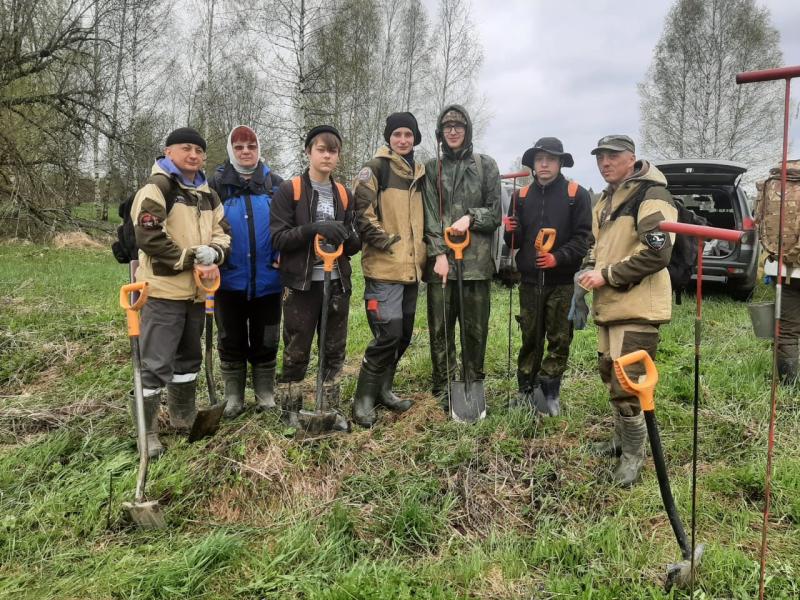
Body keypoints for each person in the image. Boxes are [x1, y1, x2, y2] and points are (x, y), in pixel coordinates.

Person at [577, 134, 677, 487]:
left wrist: (607, 275)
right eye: (600, 157)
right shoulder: (605, 200)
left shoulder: (651, 196)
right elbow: (596, 246)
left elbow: (658, 253)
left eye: (613, 156)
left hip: (638, 306)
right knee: (610, 372)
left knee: (629, 383)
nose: (605, 163)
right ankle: (621, 441)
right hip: (610, 305)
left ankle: (634, 457)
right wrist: (588, 268)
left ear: (631, 158)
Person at [130, 126, 231, 457]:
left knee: (188, 360)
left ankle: (183, 418)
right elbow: (148, 236)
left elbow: (223, 231)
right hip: (163, 291)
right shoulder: (158, 187)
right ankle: (146, 434)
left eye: (199, 151)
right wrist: (189, 258)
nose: (193, 155)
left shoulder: (207, 193)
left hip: (197, 293)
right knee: (155, 363)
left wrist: (215, 253)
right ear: (169, 151)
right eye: (185, 148)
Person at [269, 125, 360, 427]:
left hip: (336, 283)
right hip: (302, 284)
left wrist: (354, 239)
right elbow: (278, 239)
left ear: (338, 157)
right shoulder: (290, 190)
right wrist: (314, 229)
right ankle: (290, 413)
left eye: (332, 151)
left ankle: (328, 411)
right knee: (297, 350)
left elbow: (350, 239)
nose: (327, 156)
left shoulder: (345, 194)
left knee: (334, 351)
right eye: (321, 149)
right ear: (308, 152)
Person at [504, 137, 592, 415]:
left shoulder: (575, 194)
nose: (544, 164)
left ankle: (549, 393)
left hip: (562, 282)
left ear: (559, 163)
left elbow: (582, 239)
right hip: (529, 282)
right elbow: (514, 242)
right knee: (530, 337)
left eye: (550, 159)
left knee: (559, 338)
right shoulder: (521, 197)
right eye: (539, 159)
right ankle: (525, 390)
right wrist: (510, 230)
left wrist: (558, 257)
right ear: (532, 164)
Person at [422, 104, 501, 410]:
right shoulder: (432, 168)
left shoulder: (485, 165)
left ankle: (472, 383)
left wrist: (470, 217)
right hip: (441, 266)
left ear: (467, 130)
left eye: (458, 126)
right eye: (447, 126)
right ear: (440, 133)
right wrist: (438, 253)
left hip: (476, 265)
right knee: (440, 329)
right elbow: (429, 214)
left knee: (475, 330)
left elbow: (495, 212)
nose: (453, 131)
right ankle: (443, 386)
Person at [350, 112, 426, 427]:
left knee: (403, 336)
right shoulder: (375, 169)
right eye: (397, 135)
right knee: (387, 334)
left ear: (415, 138)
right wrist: (389, 242)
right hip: (385, 268)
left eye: (408, 134)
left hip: (412, 269)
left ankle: (384, 389)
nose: (403, 140)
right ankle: (363, 399)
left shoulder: (418, 173)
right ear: (389, 138)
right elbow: (362, 213)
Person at [209, 125, 283, 418]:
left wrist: (282, 252)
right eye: (239, 146)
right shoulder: (215, 185)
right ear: (230, 150)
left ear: (258, 149)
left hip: (268, 280)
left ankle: (265, 394)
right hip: (228, 280)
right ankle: (234, 397)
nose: (245, 151)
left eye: (251, 146)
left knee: (267, 338)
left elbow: (287, 224)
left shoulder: (275, 183)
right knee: (230, 338)